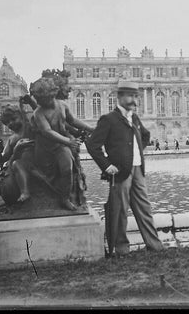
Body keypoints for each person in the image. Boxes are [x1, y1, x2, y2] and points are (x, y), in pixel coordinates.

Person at [87, 80, 164, 256]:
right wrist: (107, 165)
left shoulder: (135, 118)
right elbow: (93, 145)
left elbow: (145, 136)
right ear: (119, 97)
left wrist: (134, 153)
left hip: (137, 169)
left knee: (145, 208)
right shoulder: (108, 120)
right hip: (120, 172)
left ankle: (155, 245)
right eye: (130, 96)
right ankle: (121, 250)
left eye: (135, 96)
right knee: (120, 210)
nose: (133, 100)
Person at [30, 77, 93, 211]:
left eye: (40, 98)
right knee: (43, 175)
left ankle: (64, 198)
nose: (38, 101)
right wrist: (69, 141)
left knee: (67, 168)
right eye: (37, 99)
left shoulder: (63, 106)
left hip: (60, 145)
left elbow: (73, 120)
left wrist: (90, 128)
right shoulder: (38, 113)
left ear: (51, 95)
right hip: (45, 148)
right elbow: (47, 132)